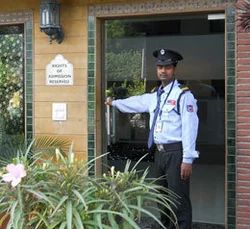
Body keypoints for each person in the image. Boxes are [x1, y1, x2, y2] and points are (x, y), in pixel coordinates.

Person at [105, 48, 199, 229]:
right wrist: (114, 103)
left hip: (176, 153)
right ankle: (167, 227)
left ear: (174, 69)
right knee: (160, 196)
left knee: (178, 199)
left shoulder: (183, 95)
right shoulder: (155, 95)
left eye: (167, 67)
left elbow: (190, 128)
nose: (163, 70)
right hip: (159, 153)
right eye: (160, 67)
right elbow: (135, 102)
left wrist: (188, 159)